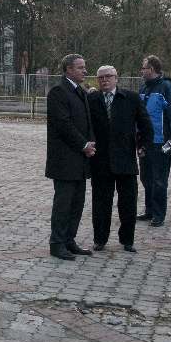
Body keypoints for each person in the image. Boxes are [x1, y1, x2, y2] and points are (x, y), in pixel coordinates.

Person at [88, 65, 153, 253]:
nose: (105, 80)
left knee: (128, 204)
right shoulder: (91, 100)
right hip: (100, 161)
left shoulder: (131, 98)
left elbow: (146, 125)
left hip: (125, 160)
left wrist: (143, 146)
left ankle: (127, 240)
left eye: (108, 76)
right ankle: (100, 239)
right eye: (101, 77)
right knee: (101, 204)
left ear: (116, 78)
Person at [45, 54, 95, 261]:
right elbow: (63, 124)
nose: (85, 71)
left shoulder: (80, 91)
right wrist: (84, 145)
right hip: (65, 160)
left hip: (81, 160)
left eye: (84, 67)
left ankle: (69, 240)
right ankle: (57, 243)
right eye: (80, 67)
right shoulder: (58, 92)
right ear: (68, 69)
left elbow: (87, 122)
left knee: (77, 203)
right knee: (63, 204)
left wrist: (90, 143)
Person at [137, 55, 171, 227]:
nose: (141, 71)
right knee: (146, 178)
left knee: (159, 180)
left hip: (161, 142)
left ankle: (158, 214)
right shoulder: (143, 88)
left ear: (151, 69)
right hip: (145, 141)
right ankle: (149, 210)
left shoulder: (166, 87)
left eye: (143, 68)